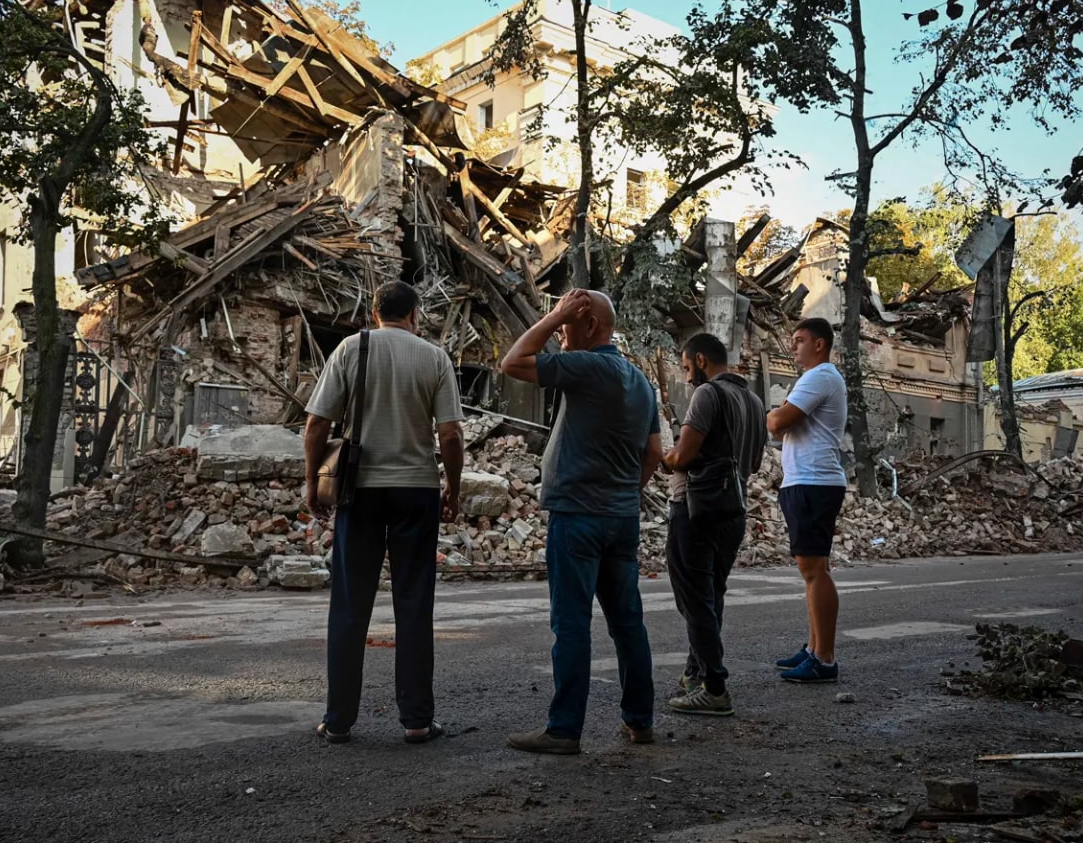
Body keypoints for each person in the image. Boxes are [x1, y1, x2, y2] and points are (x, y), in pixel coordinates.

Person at [499, 289, 662, 755]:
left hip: (578, 516)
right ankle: (640, 720)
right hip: (621, 517)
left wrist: (555, 316)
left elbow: (513, 362)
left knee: (571, 623)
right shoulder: (639, 381)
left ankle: (564, 729)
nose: (564, 332)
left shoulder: (589, 367)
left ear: (589, 326)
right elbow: (652, 454)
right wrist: (626, 491)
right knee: (628, 623)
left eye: (572, 322)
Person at [303, 280, 465, 744]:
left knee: (351, 605)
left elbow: (317, 424)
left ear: (375, 313)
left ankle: (338, 721)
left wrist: (312, 481)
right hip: (416, 492)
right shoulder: (434, 358)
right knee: (414, 604)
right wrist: (452, 488)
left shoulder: (350, 349)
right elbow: (450, 435)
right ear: (414, 314)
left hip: (361, 492)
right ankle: (416, 719)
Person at [661, 333, 766, 715]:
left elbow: (684, 456)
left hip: (695, 509)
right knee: (711, 595)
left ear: (702, 360)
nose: (688, 378)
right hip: (733, 510)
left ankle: (715, 686)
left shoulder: (707, 395)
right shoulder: (754, 401)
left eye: (688, 368)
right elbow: (754, 463)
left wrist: (664, 456)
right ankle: (697, 672)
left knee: (694, 597)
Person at [766, 317, 848, 683]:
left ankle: (824, 659)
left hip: (814, 481)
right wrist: (781, 418)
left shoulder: (820, 377)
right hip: (809, 481)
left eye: (800, 340)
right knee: (813, 571)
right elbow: (784, 423)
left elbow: (778, 421)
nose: (794, 346)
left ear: (819, 344)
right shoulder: (817, 379)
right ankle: (814, 648)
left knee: (814, 571)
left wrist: (775, 415)